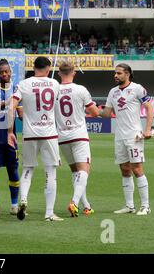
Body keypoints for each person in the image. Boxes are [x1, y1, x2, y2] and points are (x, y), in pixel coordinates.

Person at [7, 56, 63, 221]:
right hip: (49, 133)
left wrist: (11, 131)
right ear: (47, 68)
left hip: (30, 133)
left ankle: (23, 200)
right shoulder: (54, 84)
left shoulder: (24, 84)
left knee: (27, 170)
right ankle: (49, 213)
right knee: (50, 171)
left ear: (34, 67)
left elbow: (12, 107)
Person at [99, 63, 153, 216]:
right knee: (124, 170)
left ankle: (145, 206)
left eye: (119, 73)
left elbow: (149, 108)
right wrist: (90, 109)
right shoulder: (112, 92)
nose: (115, 76)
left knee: (137, 169)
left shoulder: (137, 88)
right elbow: (107, 113)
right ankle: (129, 206)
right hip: (119, 136)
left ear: (128, 74)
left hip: (134, 136)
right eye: (115, 73)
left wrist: (147, 129)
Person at [55, 61, 100, 217]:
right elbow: (94, 112)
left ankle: (86, 205)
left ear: (59, 73)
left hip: (62, 136)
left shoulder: (54, 90)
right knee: (84, 170)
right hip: (78, 135)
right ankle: (74, 202)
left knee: (76, 171)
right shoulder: (81, 90)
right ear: (73, 72)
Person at [0, 59, 23, 217]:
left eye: (6, 71)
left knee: (13, 170)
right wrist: (5, 103)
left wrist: (25, 113)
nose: (4, 74)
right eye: (1, 72)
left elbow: (20, 113)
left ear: (10, 72)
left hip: (10, 137)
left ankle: (14, 205)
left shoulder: (16, 89)